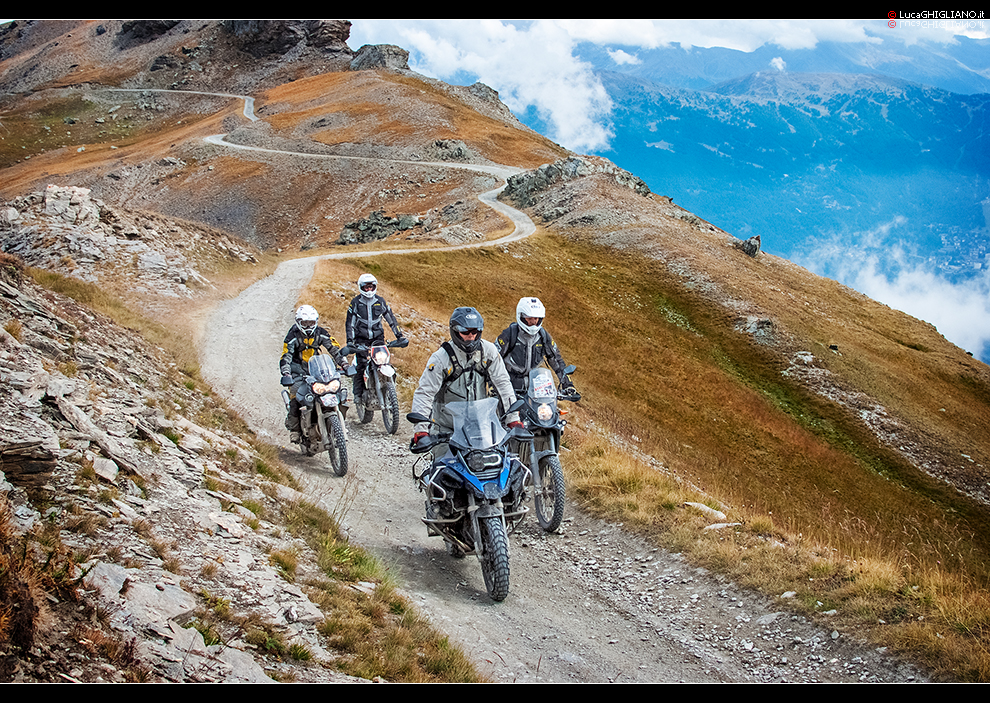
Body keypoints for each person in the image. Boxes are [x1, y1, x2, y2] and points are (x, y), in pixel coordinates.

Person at [411, 307, 520, 456]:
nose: (471, 336)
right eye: (465, 332)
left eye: (474, 332)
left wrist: (513, 419)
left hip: (480, 428)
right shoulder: (441, 358)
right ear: (455, 332)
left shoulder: (489, 352)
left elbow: (503, 384)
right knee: (442, 472)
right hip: (446, 430)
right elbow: (425, 393)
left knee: (497, 469)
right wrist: (421, 430)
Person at [280, 305, 346, 443]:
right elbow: (286, 356)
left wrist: (344, 363)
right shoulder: (292, 336)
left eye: (312, 323)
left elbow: (333, 348)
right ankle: (295, 430)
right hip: (298, 372)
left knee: (338, 392)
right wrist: (286, 373)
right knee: (296, 397)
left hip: (317, 370)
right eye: (305, 323)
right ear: (299, 322)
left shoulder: (320, 333)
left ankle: (338, 425)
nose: (309, 326)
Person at [495, 297, 577, 397]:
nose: (533, 322)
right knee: (507, 412)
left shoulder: (543, 336)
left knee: (550, 411)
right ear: (521, 317)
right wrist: (493, 385)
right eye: (529, 318)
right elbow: (494, 359)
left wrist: (568, 385)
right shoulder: (509, 334)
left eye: (536, 318)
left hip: (535, 387)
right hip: (509, 386)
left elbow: (556, 360)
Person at [345, 273, 406, 405]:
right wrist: (350, 342)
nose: (369, 290)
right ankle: (358, 395)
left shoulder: (380, 301)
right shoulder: (355, 303)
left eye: (371, 287)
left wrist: (399, 336)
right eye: (366, 287)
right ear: (361, 287)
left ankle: (388, 389)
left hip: (378, 339)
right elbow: (349, 324)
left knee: (384, 362)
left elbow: (391, 320)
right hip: (361, 340)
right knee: (360, 366)